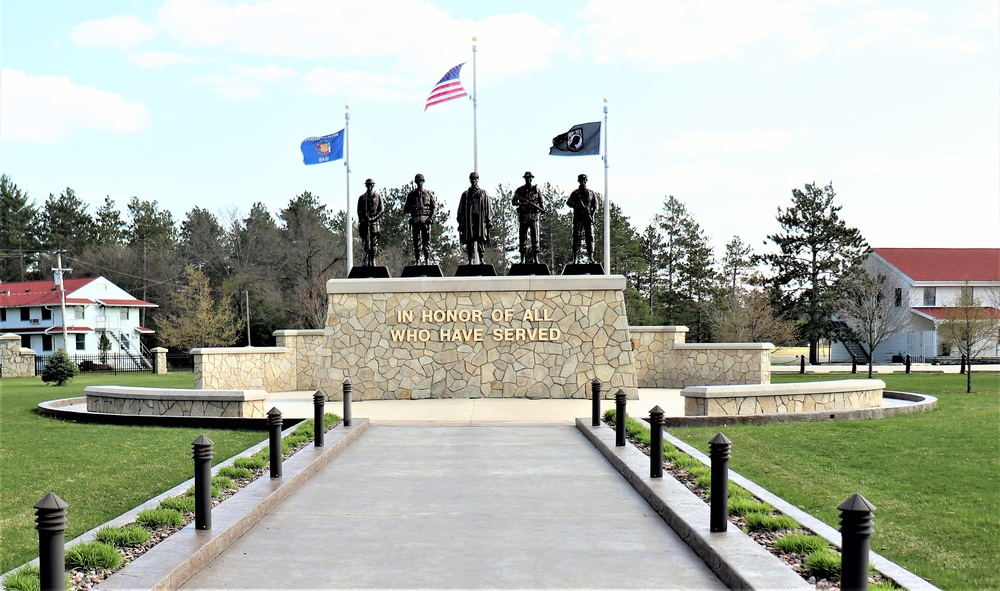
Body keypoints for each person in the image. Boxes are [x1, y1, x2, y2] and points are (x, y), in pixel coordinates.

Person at [456, 172, 492, 265]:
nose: (474, 180)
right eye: (472, 179)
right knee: (469, 240)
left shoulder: (483, 193)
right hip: (469, 220)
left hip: (480, 219)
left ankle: (482, 259)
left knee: (480, 239)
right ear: (470, 180)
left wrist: (488, 220)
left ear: (478, 179)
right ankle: (470, 259)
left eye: (475, 179)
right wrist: (460, 222)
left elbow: (488, 208)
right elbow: (461, 209)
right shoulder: (465, 194)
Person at [512, 171, 544, 265]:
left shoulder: (536, 190)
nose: (528, 179)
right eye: (527, 178)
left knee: (535, 237)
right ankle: (522, 259)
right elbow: (514, 201)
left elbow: (541, 202)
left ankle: (535, 258)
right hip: (523, 216)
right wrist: (521, 203)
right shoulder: (520, 190)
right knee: (523, 237)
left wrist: (542, 209)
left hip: (534, 216)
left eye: (530, 178)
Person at [404, 173, 436, 265]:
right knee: (416, 241)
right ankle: (417, 260)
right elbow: (405, 208)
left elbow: (433, 207)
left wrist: (431, 218)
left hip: (425, 220)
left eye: (421, 181)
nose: (419, 183)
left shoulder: (428, 193)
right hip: (415, 220)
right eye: (418, 182)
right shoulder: (411, 195)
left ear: (423, 182)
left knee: (426, 241)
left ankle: (427, 260)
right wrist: (411, 208)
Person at [566, 173, 598, 264]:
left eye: (584, 180)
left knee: (590, 237)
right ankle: (575, 258)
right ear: (579, 181)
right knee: (576, 238)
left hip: (588, 219)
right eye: (581, 180)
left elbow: (595, 205)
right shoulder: (575, 193)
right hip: (578, 219)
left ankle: (591, 257)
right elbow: (569, 203)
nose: (583, 182)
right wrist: (577, 206)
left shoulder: (591, 193)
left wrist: (592, 214)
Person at [357, 178, 383, 267]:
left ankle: (373, 260)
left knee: (374, 243)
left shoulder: (378, 196)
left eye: (371, 185)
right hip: (365, 223)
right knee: (366, 242)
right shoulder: (362, 197)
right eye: (368, 185)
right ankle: (367, 259)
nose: (370, 186)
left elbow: (381, 210)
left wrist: (373, 218)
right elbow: (359, 211)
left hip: (374, 223)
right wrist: (363, 219)